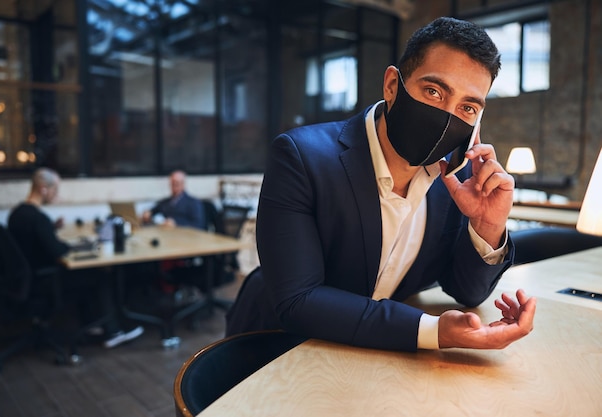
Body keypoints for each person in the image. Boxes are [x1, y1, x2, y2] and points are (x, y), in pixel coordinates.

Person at [225, 17, 537, 352]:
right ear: (392, 86)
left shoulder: (458, 179)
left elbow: (467, 291)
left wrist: (487, 225)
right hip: (276, 349)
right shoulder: (302, 156)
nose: (447, 116)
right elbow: (298, 300)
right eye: (434, 92)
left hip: (374, 355)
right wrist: (432, 331)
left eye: (467, 107)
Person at [7, 167, 144, 349]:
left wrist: (50, 230)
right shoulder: (39, 219)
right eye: (55, 189)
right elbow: (58, 251)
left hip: (26, 277)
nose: (56, 195)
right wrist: (69, 244)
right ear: (43, 189)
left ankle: (91, 325)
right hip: (45, 279)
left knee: (88, 274)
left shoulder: (17, 213)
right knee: (102, 274)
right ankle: (113, 331)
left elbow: (32, 240)